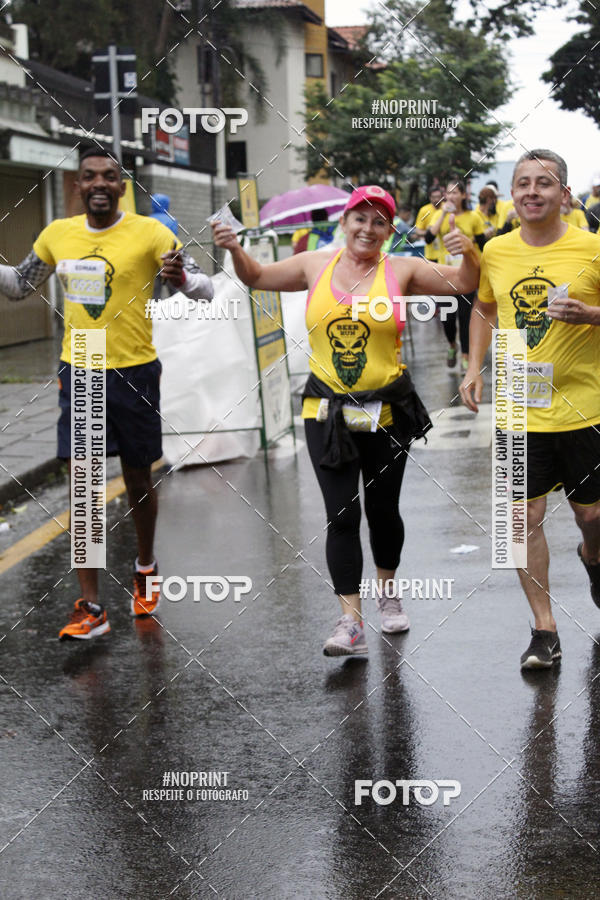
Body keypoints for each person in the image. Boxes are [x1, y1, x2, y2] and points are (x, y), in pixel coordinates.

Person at [212, 185, 479, 657]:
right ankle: (350, 621)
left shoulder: (402, 269)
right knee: (341, 514)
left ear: (388, 229)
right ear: (345, 221)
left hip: (387, 412)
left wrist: (469, 252)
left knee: (383, 510)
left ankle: (388, 593)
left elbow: (462, 282)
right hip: (326, 411)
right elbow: (256, 276)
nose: (368, 229)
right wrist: (234, 247)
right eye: (360, 218)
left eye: (379, 221)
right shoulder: (315, 265)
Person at [0, 148, 214, 639]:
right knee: (84, 486)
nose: (99, 183)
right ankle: (91, 606)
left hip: (135, 369)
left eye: (109, 176)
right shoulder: (57, 234)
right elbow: (18, 287)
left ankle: (145, 565)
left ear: (122, 186)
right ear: (78, 185)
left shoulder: (152, 233)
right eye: (89, 176)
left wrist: (182, 278)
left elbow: (203, 289)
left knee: (138, 480)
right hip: (82, 366)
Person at [460, 149, 600, 670]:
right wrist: (474, 366)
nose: (532, 191)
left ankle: (592, 555)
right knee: (520, 519)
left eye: (544, 183)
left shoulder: (592, 247)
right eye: (523, 183)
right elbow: (485, 306)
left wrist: (592, 314)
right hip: (519, 408)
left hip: (586, 408)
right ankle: (545, 630)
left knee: (592, 515)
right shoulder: (496, 250)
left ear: (564, 194)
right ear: (512, 193)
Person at [426, 178, 486, 372]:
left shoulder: (473, 217)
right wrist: (443, 214)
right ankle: (452, 345)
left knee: (465, 316)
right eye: (448, 192)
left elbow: (483, 244)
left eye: (455, 192)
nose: (451, 196)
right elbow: (429, 238)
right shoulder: (439, 214)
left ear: (463, 195)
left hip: (466, 274)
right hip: (444, 274)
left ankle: (465, 356)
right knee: (447, 318)